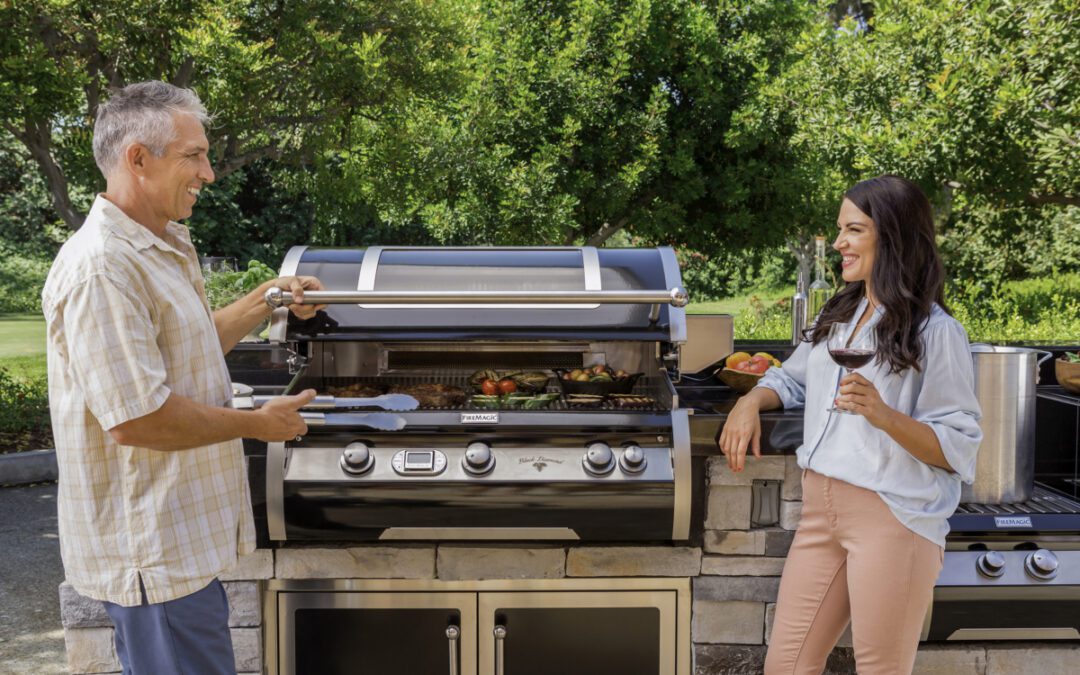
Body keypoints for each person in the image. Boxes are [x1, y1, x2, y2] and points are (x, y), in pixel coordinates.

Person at [42, 81, 325, 675]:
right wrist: (257, 423)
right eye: (193, 155)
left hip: (177, 550)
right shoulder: (104, 267)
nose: (210, 173)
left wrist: (267, 299)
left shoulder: (157, 245)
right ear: (138, 159)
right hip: (152, 553)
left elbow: (189, 348)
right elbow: (137, 418)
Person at [718, 175, 982, 675]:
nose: (838, 243)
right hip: (822, 511)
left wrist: (884, 416)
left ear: (893, 237)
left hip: (892, 519)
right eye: (841, 229)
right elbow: (791, 380)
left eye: (853, 230)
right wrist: (751, 400)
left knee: (880, 669)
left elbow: (959, 445)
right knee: (788, 665)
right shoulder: (842, 314)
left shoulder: (936, 331)